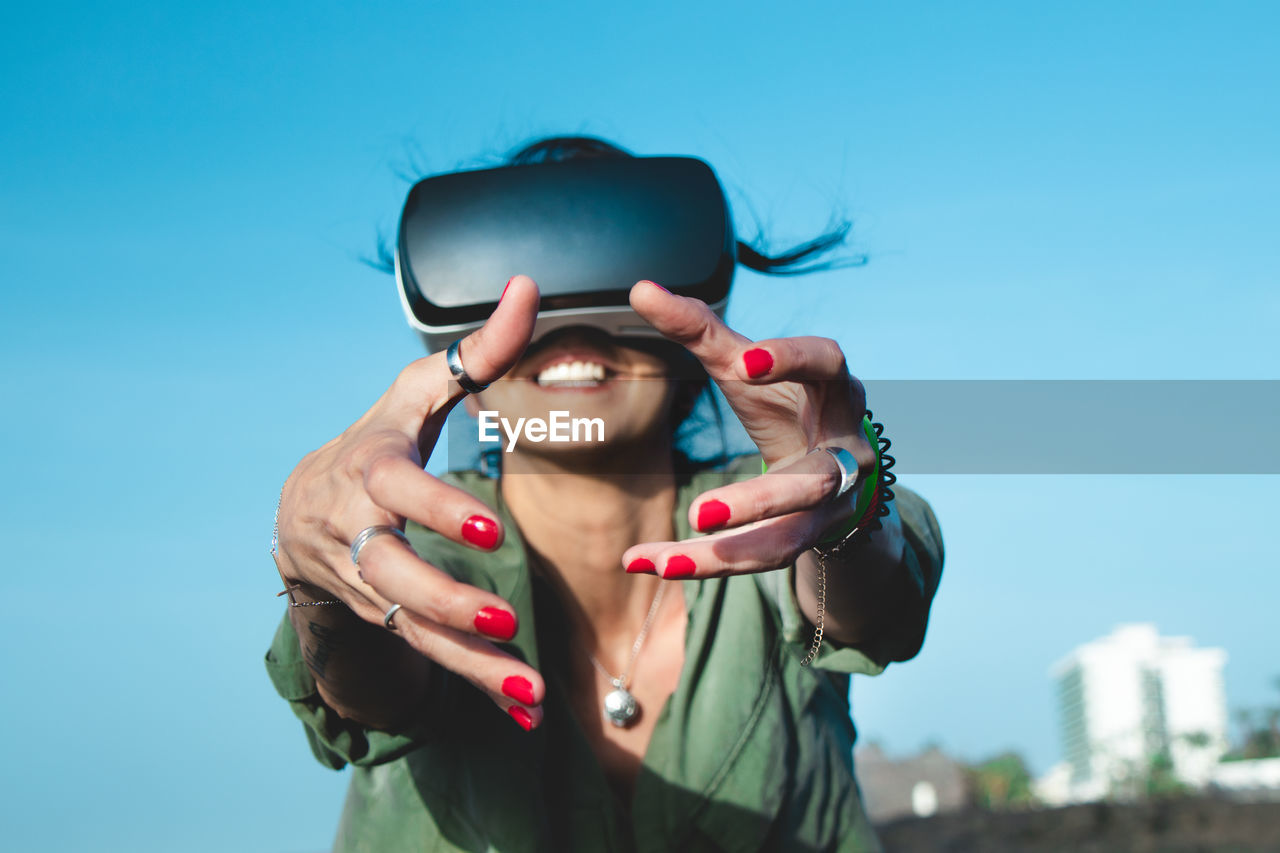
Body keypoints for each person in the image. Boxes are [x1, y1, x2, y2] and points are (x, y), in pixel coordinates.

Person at [266, 136, 944, 852]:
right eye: (515, 294)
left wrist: (845, 513)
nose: (568, 329)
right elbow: (372, 692)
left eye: (610, 274)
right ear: (463, 376)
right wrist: (325, 577)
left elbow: (865, 606)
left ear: (679, 338)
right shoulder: (419, 539)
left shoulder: (775, 513)